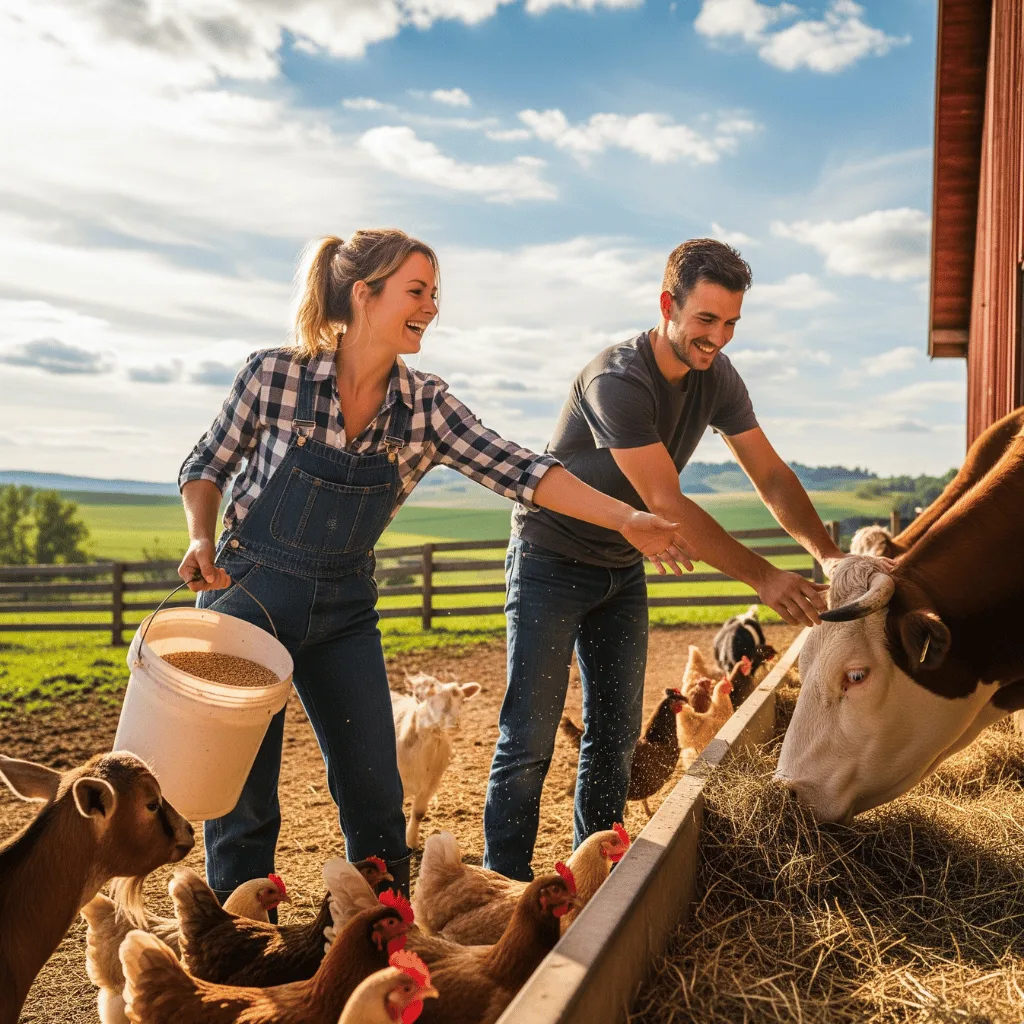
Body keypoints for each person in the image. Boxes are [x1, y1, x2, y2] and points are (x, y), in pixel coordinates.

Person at [177, 229, 688, 899]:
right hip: (247, 599)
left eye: (434, 294)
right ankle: (246, 951)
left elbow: (524, 470)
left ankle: (382, 941)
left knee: (375, 794)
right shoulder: (275, 375)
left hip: (342, 611)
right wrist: (199, 537)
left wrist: (627, 518)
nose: (431, 307)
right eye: (416, 291)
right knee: (246, 802)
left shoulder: (426, 407)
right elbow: (205, 464)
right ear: (364, 294)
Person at [483, 238, 846, 880]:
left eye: (731, 323)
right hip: (551, 559)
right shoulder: (616, 378)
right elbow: (667, 502)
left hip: (621, 567)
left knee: (617, 735)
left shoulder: (717, 377)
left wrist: (827, 555)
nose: (718, 338)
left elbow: (769, 474)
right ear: (667, 306)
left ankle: (594, 873)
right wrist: (762, 576)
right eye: (706, 320)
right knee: (530, 738)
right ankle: (501, 889)